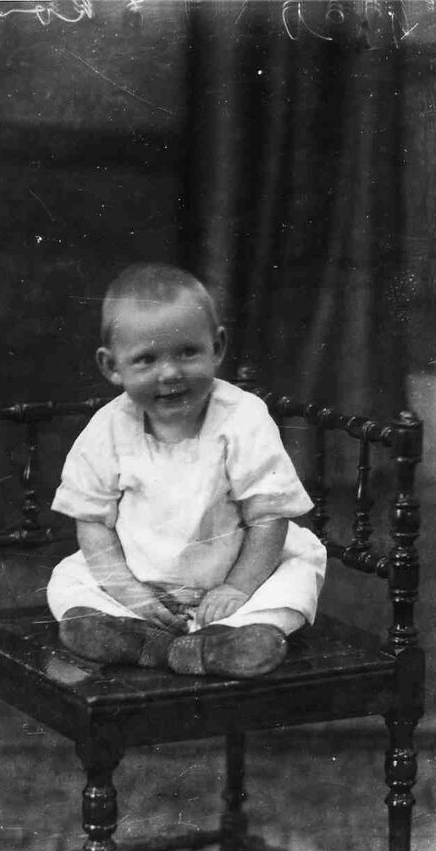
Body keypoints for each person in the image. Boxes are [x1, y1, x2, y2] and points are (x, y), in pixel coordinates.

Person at [47, 263, 327, 678]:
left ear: (218, 347)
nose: (170, 373)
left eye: (187, 352)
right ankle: (137, 636)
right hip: (140, 585)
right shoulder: (107, 430)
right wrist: (129, 591)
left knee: (297, 577)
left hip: (235, 577)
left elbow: (269, 518)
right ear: (111, 366)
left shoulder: (243, 418)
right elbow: (91, 522)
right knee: (70, 580)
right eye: (146, 359)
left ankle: (225, 640)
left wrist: (237, 587)